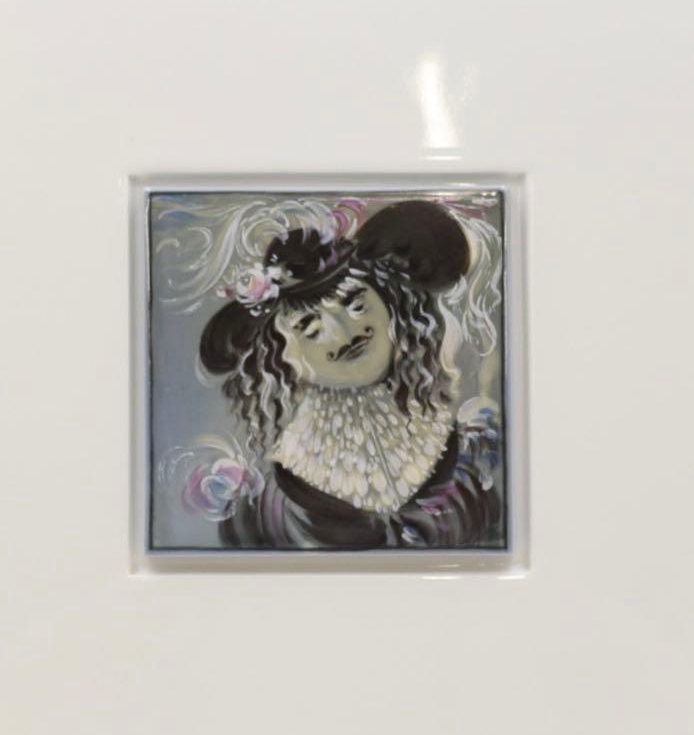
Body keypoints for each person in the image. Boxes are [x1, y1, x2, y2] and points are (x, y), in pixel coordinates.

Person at [197, 200, 503, 549]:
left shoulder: (467, 452)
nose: (346, 335)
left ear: (392, 305)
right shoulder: (271, 508)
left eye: (357, 305)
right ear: (280, 355)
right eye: (310, 327)